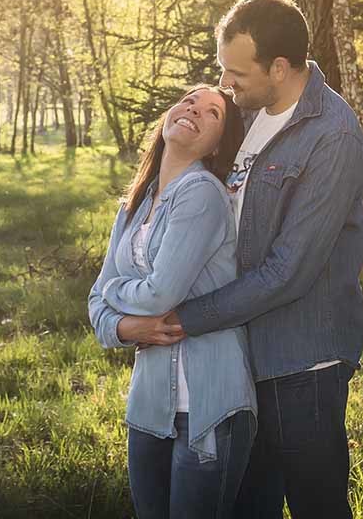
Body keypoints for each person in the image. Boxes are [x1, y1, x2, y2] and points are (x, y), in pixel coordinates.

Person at [120, 0, 363, 518]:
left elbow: (288, 272)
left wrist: (180, 320)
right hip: (238, 358)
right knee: (247, 508)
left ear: (279, 68)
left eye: (237, 74)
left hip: (301, 363)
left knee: (317, 506)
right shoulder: (245, 116)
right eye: (222, 71)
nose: (225, 86)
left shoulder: (333, 135)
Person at [88, 85, 258, 519]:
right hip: (149, 406)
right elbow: (94, 305)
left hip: (209, 406)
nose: (193, 110)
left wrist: (114, 294)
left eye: (212, 113)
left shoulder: (201, 192)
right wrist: (129, 327)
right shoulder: (133, 204)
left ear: (220, 144)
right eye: (189, 101)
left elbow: (161, 293)